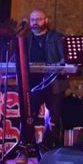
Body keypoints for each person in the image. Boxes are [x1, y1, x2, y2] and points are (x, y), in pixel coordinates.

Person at [24, 8, 67, 149]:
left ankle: (51, 148)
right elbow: (16, 60)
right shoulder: (26, 39)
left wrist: (59, 66)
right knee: (28, 116)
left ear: (46, 20)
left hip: (53, 82)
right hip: (33, 84)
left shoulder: (57, 38)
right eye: (32, 20)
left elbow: (65, 58)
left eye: (39, 19)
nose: (35, 22)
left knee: (53, 118)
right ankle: (25, 148)